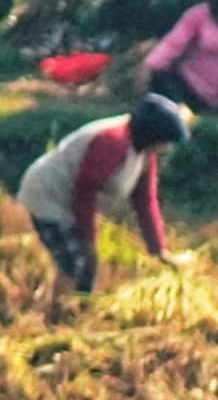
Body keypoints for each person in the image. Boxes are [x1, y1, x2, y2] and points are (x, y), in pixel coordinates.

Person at [18, 93, 191, 294]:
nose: (166, 147)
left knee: (85, 265)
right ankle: (58, 315)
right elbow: (85, 192)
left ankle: (75, 307)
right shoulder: (113, 142)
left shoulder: (144, 152)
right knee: (75, 264)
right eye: (165, 141)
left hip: (71, 200)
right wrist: (87, 237)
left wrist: (159, 249)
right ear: (153, 134)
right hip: (49, 196)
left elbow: (145, 201)